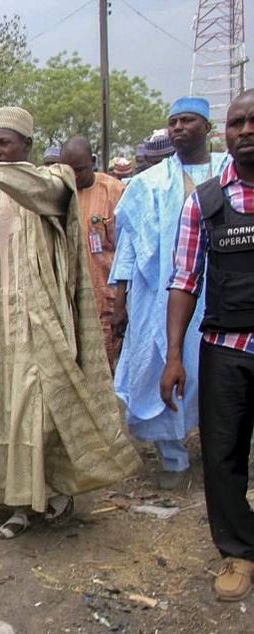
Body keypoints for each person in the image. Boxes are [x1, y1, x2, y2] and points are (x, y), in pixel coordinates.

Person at [0, 106, 141, 539]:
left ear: (26, 146)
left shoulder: (53, 181)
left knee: (38, 408)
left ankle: (45, 496)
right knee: (3, 406)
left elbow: (41, 191)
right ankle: (17, 498)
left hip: (40, 319)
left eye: (4, 143)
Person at [161, 89, 254, 603]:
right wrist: (174, 357)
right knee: (222, 456)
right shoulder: (206, 203)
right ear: (226, 133)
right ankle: (238, 553)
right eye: (236, 122)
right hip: (225, 348)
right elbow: (183, 281)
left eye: (253, 121)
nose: (245, 131)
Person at [110, 96, 229, 490]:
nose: (178, 127)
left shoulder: (232, 172)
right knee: (160, 367)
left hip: (224, 294)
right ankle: (172, 455)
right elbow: (127, 244)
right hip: (162, 296)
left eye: (188, 120)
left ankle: (223, 454)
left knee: (219, 374)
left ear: (208, 128)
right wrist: (121, 297)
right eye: (173, 121)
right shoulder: (147, 184)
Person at [60, 136, 126, 367]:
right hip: (70, 298)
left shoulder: (115, 191)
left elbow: (127, 251)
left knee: (105, 364)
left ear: (93, 162)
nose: (74, 177)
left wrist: (121, 303)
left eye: (80, 170)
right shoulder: (59, 193)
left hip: (107, 297)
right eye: (68, 171)